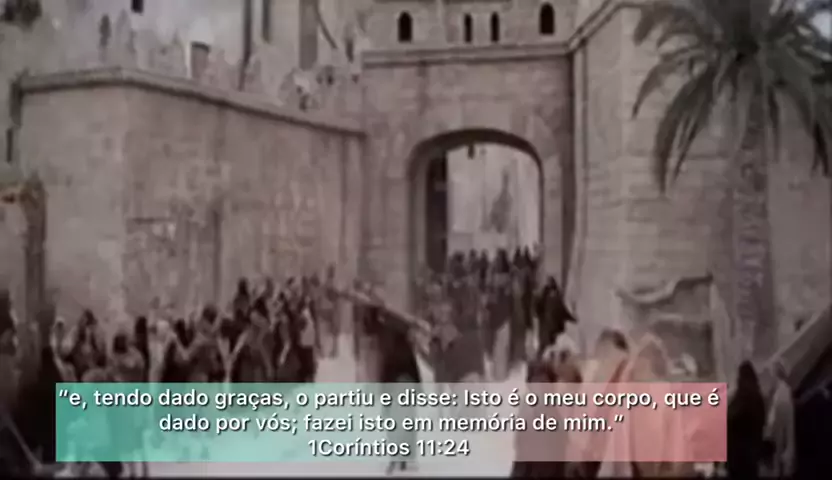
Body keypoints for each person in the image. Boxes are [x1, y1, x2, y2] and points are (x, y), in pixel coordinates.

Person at [728, 360, 766, 478]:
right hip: (752, 456)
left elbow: (729, 421)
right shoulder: (758, 398)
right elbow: (762, 423)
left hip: (737, 458)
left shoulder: (739, 400)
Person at [764, 362, 795, 477]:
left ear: (775, 374)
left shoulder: (783, 392)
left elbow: (781, 420)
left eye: (771, 374)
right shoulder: (779, 392)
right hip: (778, 440)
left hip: (780, 440)